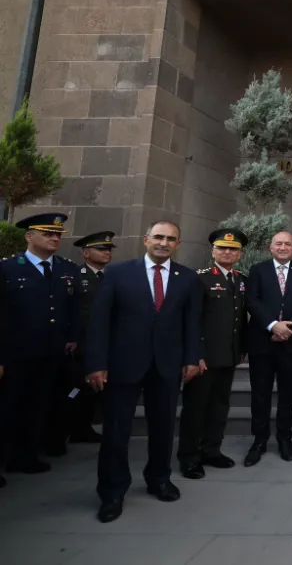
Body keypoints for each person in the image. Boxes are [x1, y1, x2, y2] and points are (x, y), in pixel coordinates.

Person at [85, 220, 202, 523]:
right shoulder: (117, 273)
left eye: (171, 239)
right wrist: (96, 364)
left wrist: (191, 358)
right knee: (116, 432)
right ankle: (112, 492)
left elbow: (192, 324)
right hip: (122, 366)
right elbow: (99, 322)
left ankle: (159, 479)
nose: (164, 243)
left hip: (166, 366)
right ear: (145, 239)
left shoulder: (187, 278)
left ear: (178, 244)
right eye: (159, 237)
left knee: (163, 428)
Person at [0, 213, 77, 475]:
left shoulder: (66, 269)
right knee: (9, 408)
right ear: (29, 236)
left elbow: (71, 309)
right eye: (48, 234)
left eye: (57, 234)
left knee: (39, 406)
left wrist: (71, 338)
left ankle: (27, 456)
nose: (55, 238)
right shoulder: (8, 268)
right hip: (16, 354)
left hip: (51, 353)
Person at [177, 229, 248, 480]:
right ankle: (189, 457)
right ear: (213, 251)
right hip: (204, 358)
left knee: (219, 406)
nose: (227, 252)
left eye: (232, 249)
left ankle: (211, 450)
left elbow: (238, 320)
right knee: (196, 409)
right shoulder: (200, 279)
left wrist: (240, 350)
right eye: (222, 248)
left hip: (227, 356)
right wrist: (194, 355)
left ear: (239, 254)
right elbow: (191, 320)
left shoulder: (240, 280)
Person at [244, 231, 292, 466]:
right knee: (260, 393)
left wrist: (290, 327)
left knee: (288, 393)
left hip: (291, 342)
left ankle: (285, 438)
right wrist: (274, 326)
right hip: (262, 342)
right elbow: (252, 301)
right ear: (270, 247)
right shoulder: (257, 270)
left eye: (288, 244)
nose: (283, 247)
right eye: (279, 244)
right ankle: (259, 440)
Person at [51, 231, 115, 450]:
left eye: (108, 249)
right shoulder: (75, 275)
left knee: (94, 393)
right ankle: (61, 432)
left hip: (106, 345)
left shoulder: (113, 276)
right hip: (80, 345)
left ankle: (83, 428)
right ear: (86, 253)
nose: (106, 252)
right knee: (73, 391)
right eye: (101, 249)